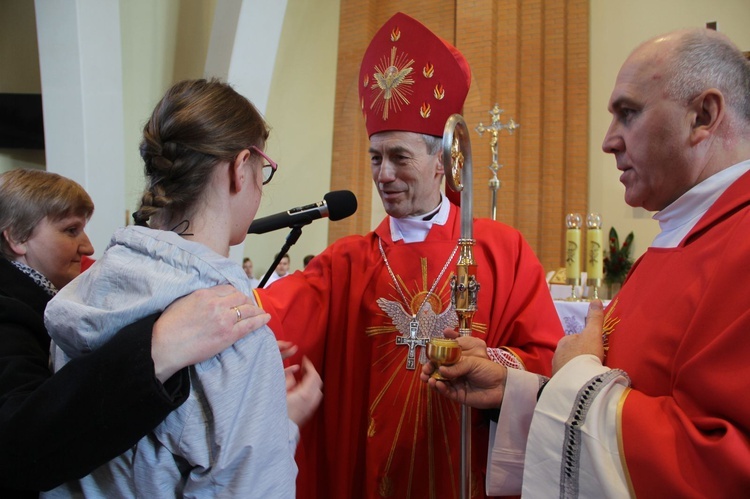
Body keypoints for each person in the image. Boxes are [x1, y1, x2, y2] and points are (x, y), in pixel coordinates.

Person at [422, 28, 750, 497]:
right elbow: (635, 398)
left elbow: (721, 464)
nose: (609, 141)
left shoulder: (741, 244)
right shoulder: (686, 235)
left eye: (628, 114)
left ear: (704, 115)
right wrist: (516, 393)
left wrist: (574, 379)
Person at [254, 12, 562, 499]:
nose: (384, 175)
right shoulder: (347, 262)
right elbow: (269, 319)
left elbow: (545, 360)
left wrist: (495, 363)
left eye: (400, 157)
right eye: (376, 157)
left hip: (467, 468)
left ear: (442, 160)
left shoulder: (502, 250)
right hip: (372, 475)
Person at [43, 79, 322, 498]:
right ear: (239, 167)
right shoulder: (233, 329)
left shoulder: (86, 292)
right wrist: (281, 425)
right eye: (263, 171)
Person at [0, 168, 269, 497]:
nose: (87, 246)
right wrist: (157, 347)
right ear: (15, 237)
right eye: (70, 230)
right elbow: (20, 446)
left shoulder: (51, 299)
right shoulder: (8, 314)